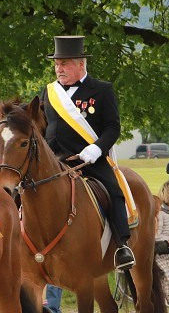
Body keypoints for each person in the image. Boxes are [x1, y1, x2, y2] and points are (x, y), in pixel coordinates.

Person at [42, 35, 135, 270]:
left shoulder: (102, 90)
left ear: (81, 64)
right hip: (55, 160)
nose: (59, 69)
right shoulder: (49, 92)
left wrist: (96, 149)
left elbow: (113, 127)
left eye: (64, 63)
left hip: (88, 160)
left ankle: (122, 246)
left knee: (114, 191)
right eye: (56, 64)